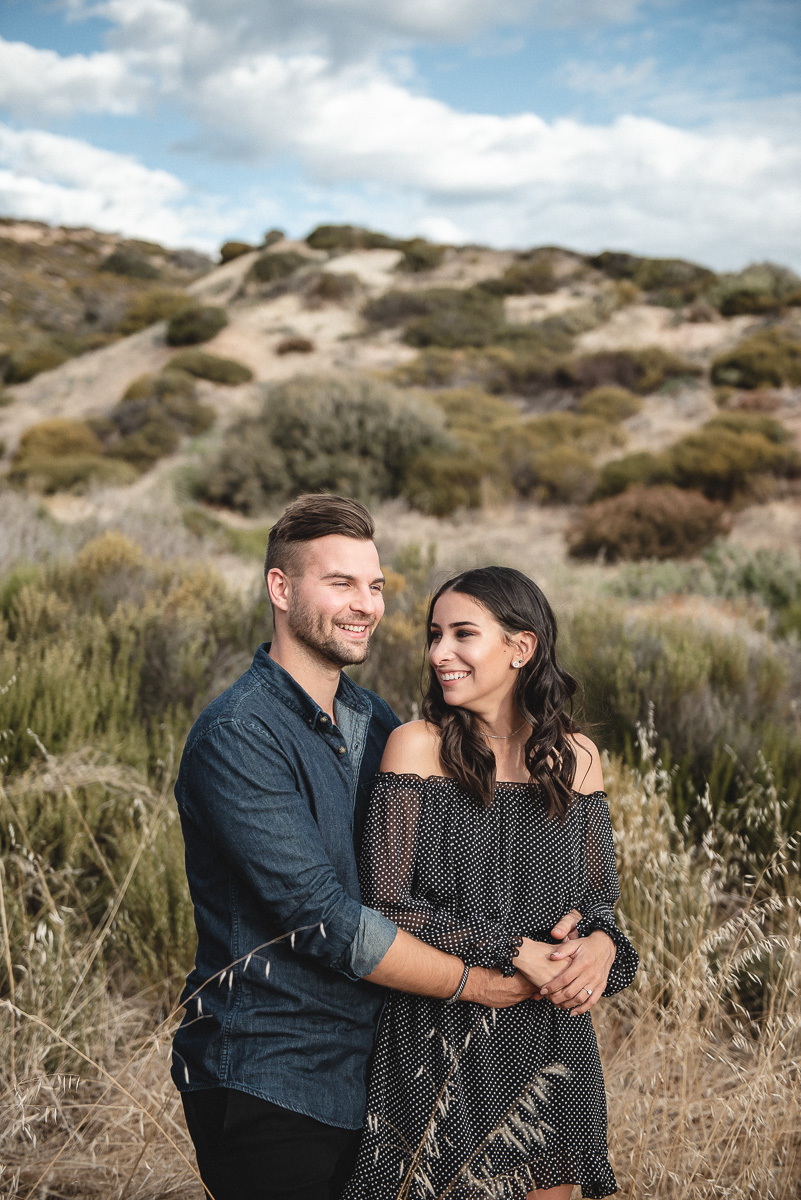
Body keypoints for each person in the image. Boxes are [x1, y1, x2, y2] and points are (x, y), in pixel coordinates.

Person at [170, 497, 586, 1200]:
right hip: (274, 1076)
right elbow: (326, 920)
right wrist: (480, 983)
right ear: (281, 588)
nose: (365, 604)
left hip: (384, 1074)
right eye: (340, 583)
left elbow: (457, 875)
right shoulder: (240, 734)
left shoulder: (375, 721)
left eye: (375, 586)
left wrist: (593, 939)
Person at [343, 566, 639, 1200]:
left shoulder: (576, 757)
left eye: (462, 634)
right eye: (434, 635)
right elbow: (385, 906)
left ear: (521, 647)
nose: (439, 653)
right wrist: (511, 949)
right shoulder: (417, 747)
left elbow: (601, 907)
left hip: (550, 1042)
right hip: (438, 1037)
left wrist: (601, 949)